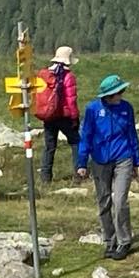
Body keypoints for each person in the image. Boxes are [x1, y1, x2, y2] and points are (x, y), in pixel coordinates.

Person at [76, 74, 139, 259]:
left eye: (122, 91)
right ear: (108, 95)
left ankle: (124, 241)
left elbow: (132, 134)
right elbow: (86, 136)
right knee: (104, 201)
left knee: (120, 200)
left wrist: (137, 161)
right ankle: (109, 240)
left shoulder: (126, 108)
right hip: (100, 160)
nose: (121, 95)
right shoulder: (93, 110)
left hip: (123, 157)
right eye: (118, 93)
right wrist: (82, 162)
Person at [34, 46, 81, 185]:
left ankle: (45, 177)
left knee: (49, 146)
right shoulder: (68, 76)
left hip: (49, 116)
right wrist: (74, 117)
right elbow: (71, 100)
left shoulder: (44, 75)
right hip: (64, 116)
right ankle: (79, 173)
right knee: (76, 142)